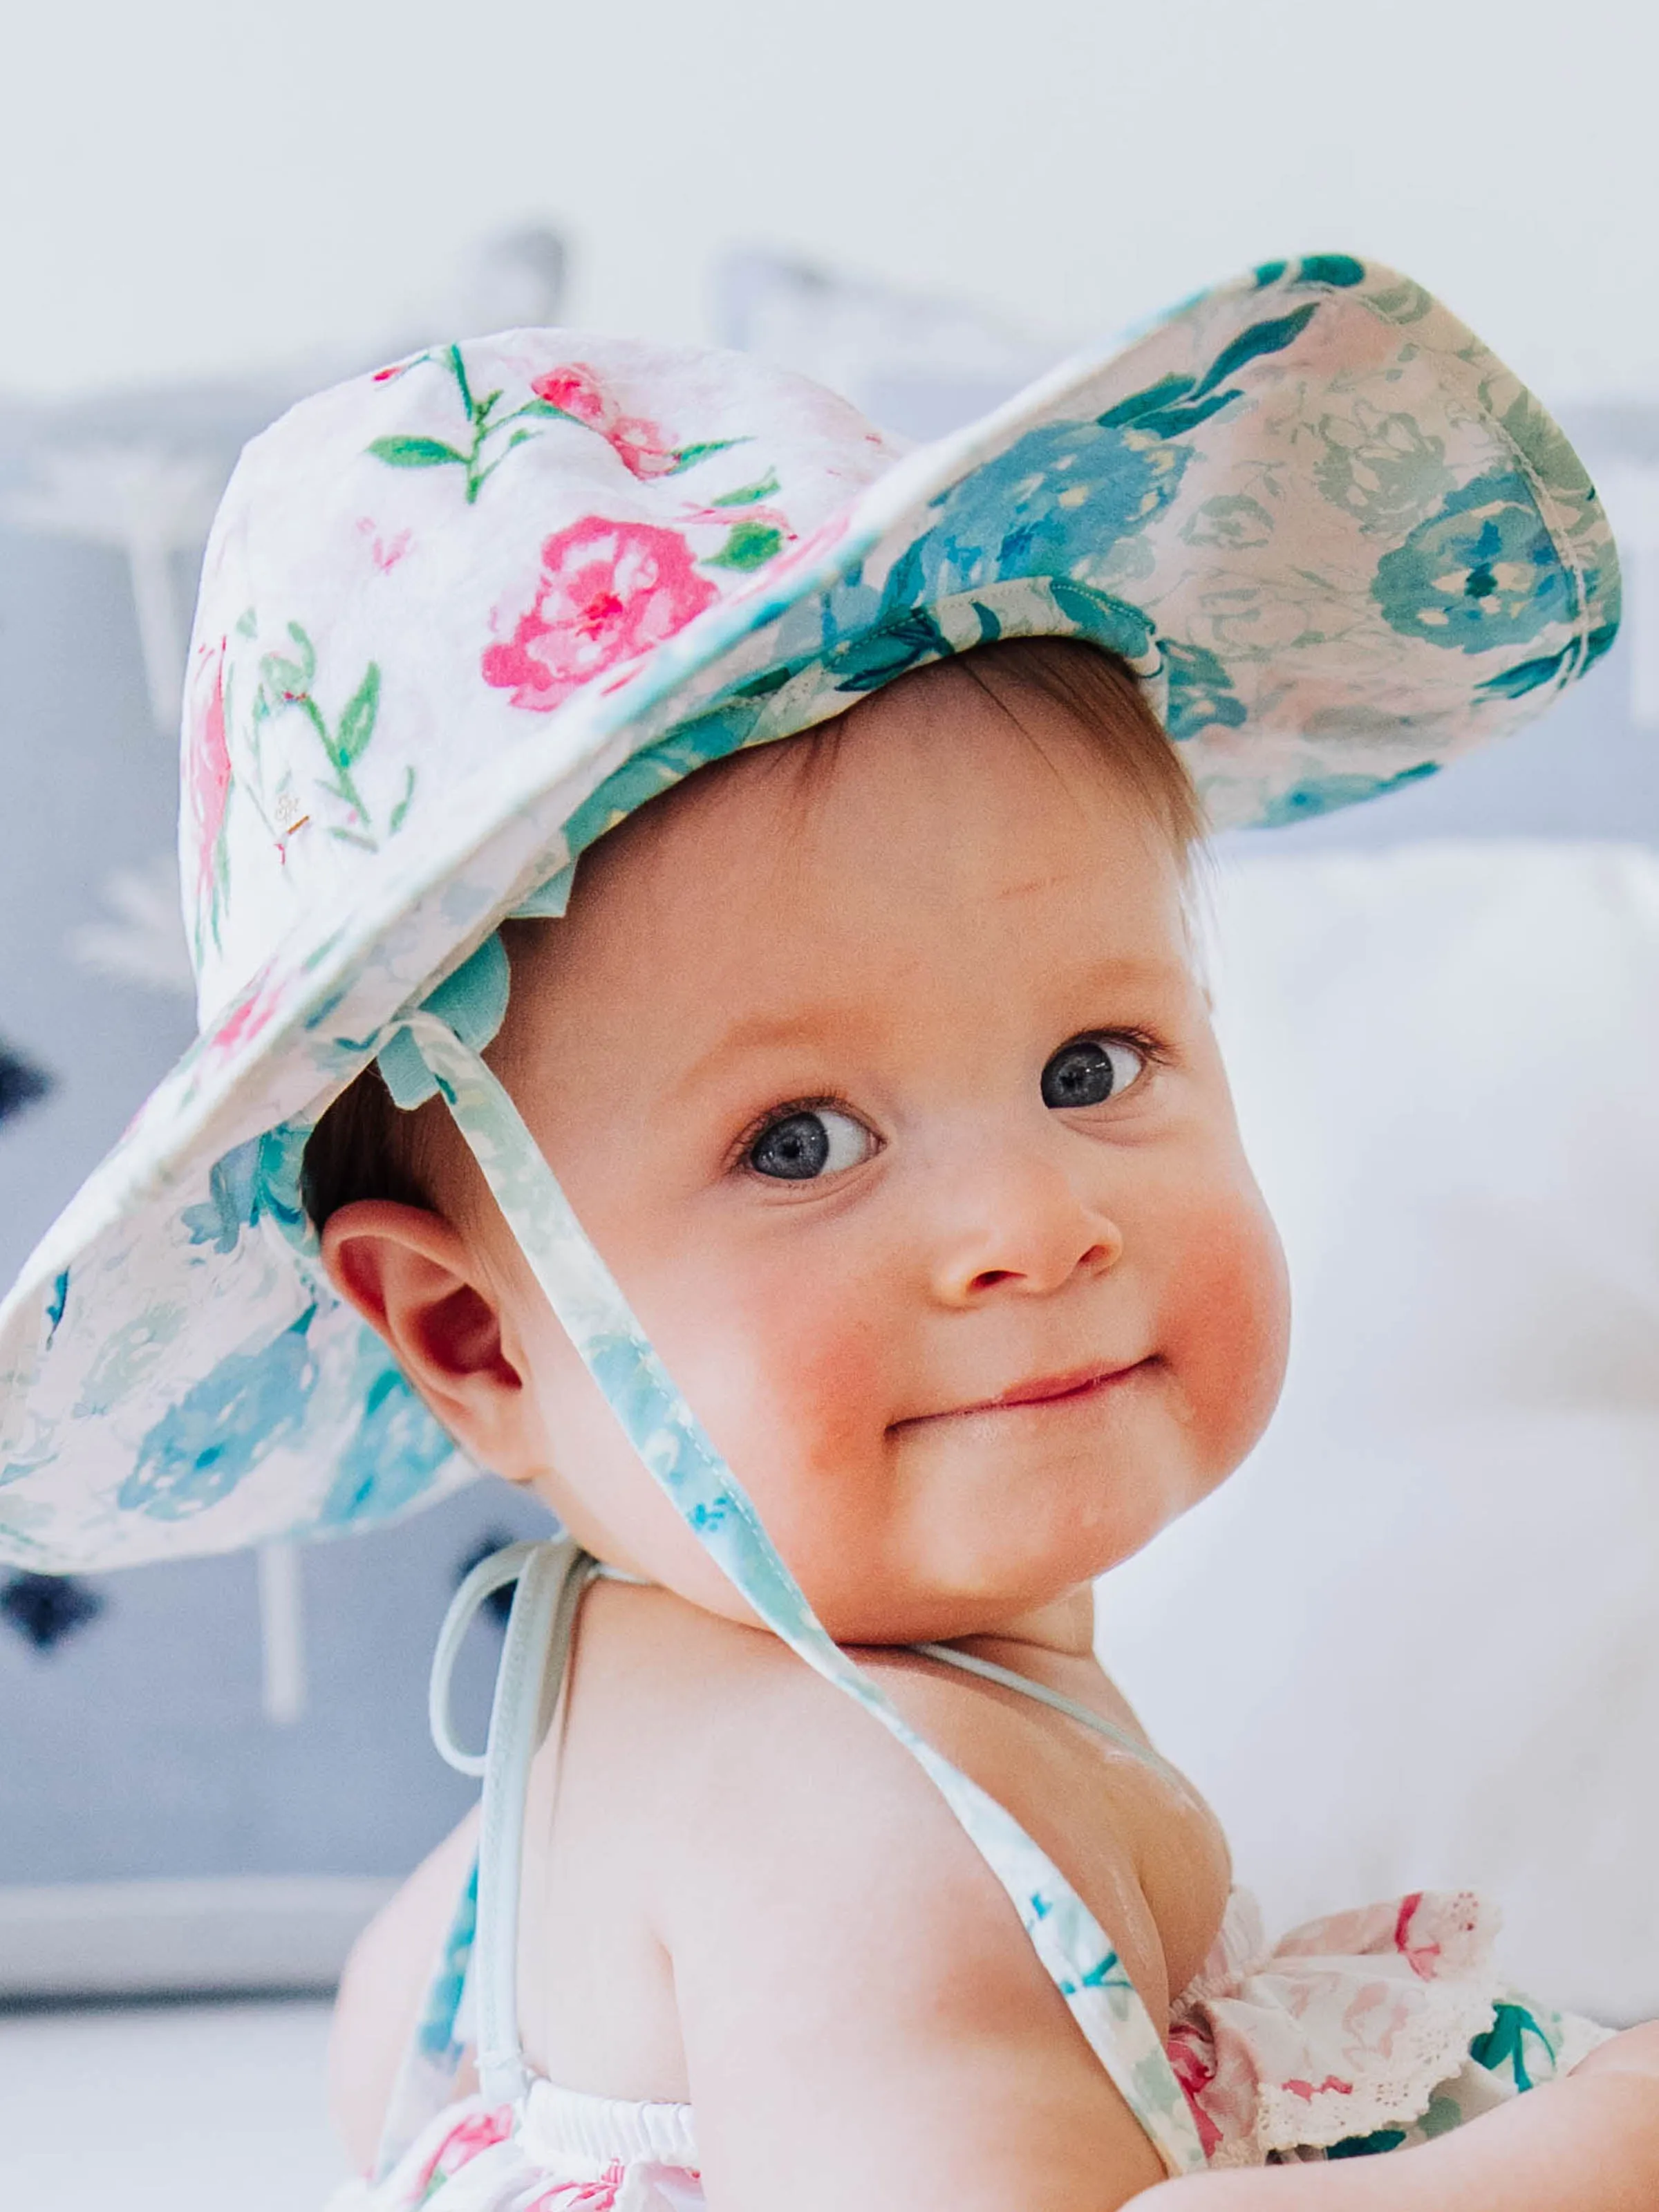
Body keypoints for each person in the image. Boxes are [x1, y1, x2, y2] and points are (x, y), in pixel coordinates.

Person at [2, 256, 1653, 2209]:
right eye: (798, 1140)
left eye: (1093, 1064)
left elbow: (399, 2052)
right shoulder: (866, 1826)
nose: (1033, 1224)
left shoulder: (582, 1755)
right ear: (468, 1340)